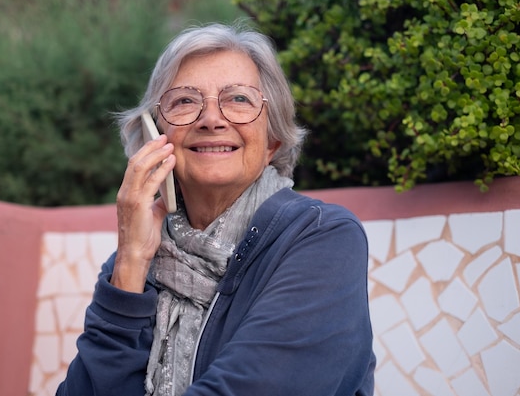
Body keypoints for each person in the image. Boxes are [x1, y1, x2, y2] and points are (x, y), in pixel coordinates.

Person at [56, 22, 376, 396]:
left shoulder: (320, 238)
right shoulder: (132, 263)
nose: (211, 119)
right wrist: (129, 262)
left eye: (239, 99)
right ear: (153, 138)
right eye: (185, 101)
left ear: (272, 139)